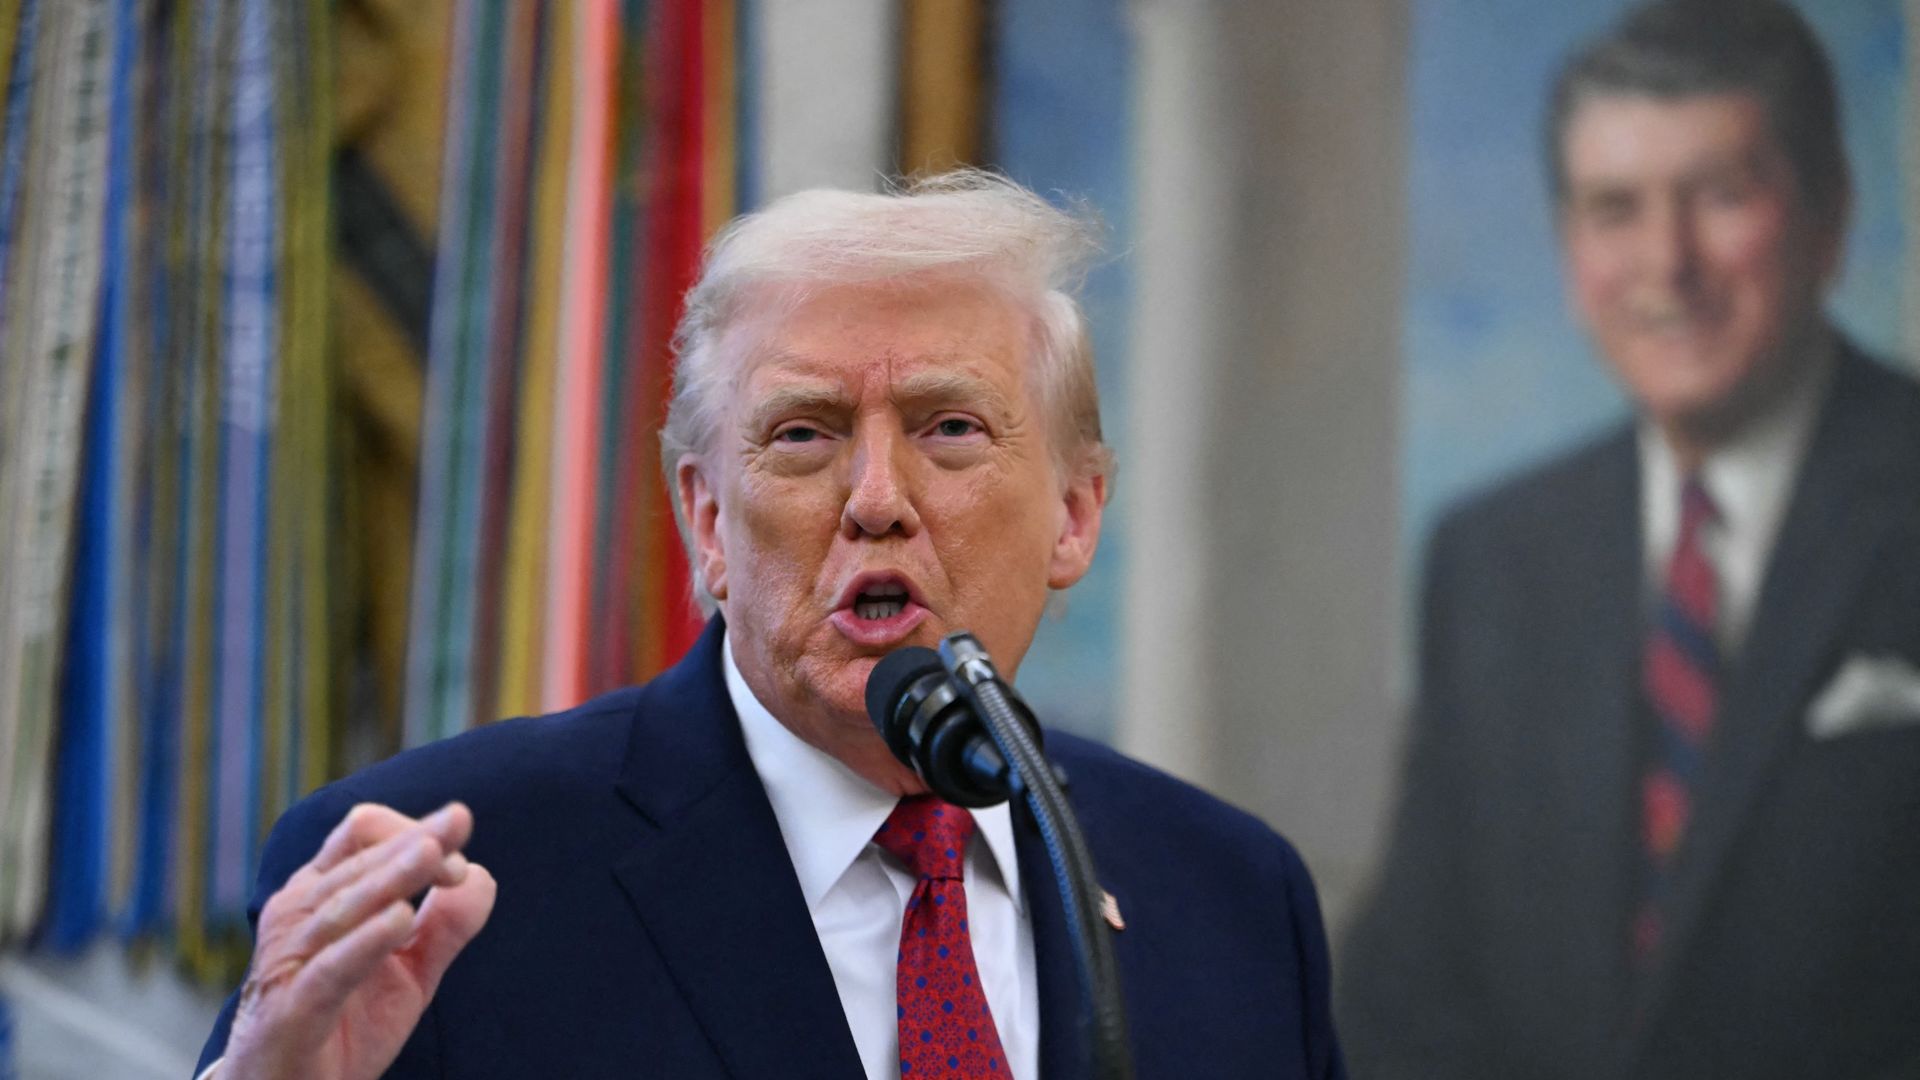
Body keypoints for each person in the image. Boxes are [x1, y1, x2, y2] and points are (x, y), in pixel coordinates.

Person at [194, 172, 1347, 1079]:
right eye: (804, 434)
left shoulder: (1231, 899)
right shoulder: (440, 891)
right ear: (707, 520)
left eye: (950, 428)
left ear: (1076, 516)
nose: (877, 498)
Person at [1339, 2, 1920, 1078]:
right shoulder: (1493, 559)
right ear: (1571, 253)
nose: (1667, 263)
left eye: (1722, 196)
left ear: (1829, 215)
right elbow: (1410, 992)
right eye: (1615, 210)